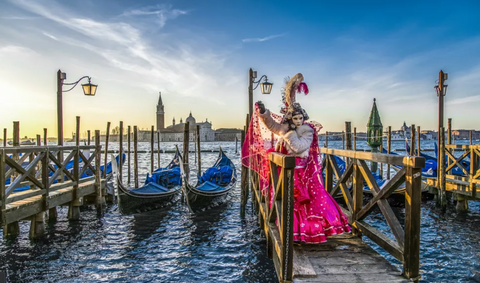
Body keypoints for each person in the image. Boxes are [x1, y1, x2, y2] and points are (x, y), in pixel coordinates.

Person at [243, 73, 350, 243]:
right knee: (286, 202)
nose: (299, 121)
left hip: (303, 174)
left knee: (307, 203)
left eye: (301, 118)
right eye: (296, 118)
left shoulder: (307, 131)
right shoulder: (286, 128)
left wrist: (288, 133)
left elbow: (298, 147)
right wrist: (264, 113)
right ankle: (291, 230)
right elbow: (272, 125)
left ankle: (310, 232)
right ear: (291, 118)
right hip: (287, 171)